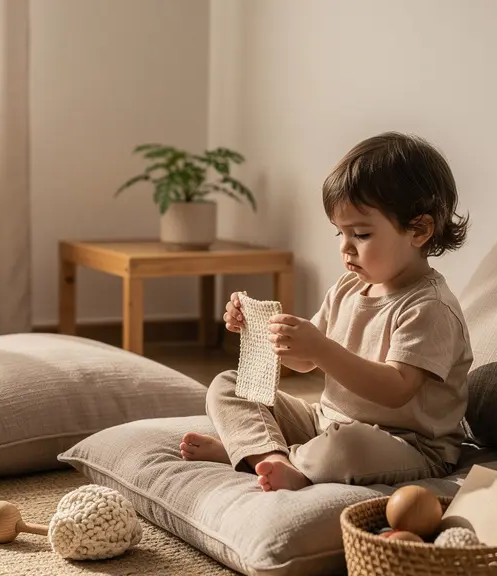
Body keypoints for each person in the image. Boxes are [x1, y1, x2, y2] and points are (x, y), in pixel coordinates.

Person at [180, 132, 473, 492]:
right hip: (326, 421)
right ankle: (270, 457)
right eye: (340, 234)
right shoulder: (347, 288)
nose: (346, 248)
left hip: (405, 446)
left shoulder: (429, 308)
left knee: (347, 447)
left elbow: (395, 391)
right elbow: (304, 362)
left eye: (361, 235)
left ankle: (256, 453)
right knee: (227, 385)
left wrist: (321, 348)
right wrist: (266, 333)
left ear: (419, 229)